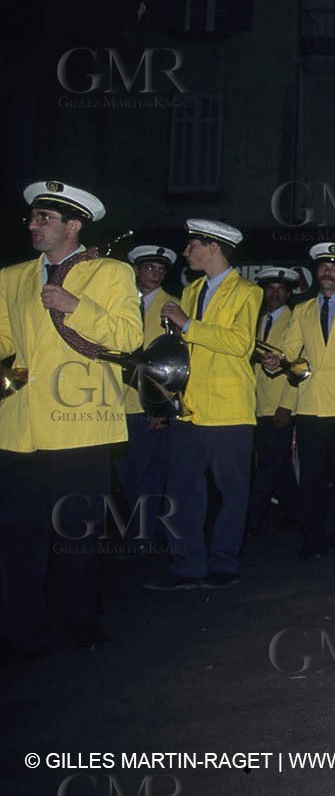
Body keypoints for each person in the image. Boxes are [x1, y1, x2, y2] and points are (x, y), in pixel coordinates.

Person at [0, 181, 141, 655]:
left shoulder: (110, 272)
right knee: (19, 536)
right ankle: (21, 627)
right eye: (33, 218)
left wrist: (76, 306)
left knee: (76, 533)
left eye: (44, 218)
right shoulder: (12, 276)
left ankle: (83, 620)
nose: (33, 225)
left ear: (73, 225)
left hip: (81, 424)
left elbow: (126, 338)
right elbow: (4, 340)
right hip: (20, 427)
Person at [145, 220, 261, 590]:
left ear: (213, 247)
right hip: (190, 409)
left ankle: (224, 563)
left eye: (191, 245)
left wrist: (187, 324)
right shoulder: (191, 290)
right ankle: (187, 567)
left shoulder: (247, 291)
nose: (185, 252)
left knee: (232, 492)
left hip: (229, 410)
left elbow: (240, 342)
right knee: (181, 493)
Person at [263, 242, 335, 560]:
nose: (328, 271)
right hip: (310, 407)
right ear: (317, 272)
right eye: (323, 266)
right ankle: (312, 539)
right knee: (310, 481)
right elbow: (289, 348)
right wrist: (275, 360)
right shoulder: (301, 311)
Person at [117, 245, 177, 550]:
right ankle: (143, 530)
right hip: (117, 404)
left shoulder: (173, 307)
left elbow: (177, 364)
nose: (156, 274)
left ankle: (143, 536)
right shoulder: (120, 302)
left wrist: (162, 407)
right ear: (137, 271)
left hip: (151, 406)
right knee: (126, 473)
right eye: (149, 268)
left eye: (161, 269)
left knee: (150, 474)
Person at [246, 267, 300, 536]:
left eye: (281, 290)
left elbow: (298, 366)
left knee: (267, 466)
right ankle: (295, 512)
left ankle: (251, 519)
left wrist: (287, 405)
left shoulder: (294, 321)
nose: (275, 294)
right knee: (279, 467)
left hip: (279, 406)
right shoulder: (256, 320)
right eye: (270, 289)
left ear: (289, 293)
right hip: (256, 404)